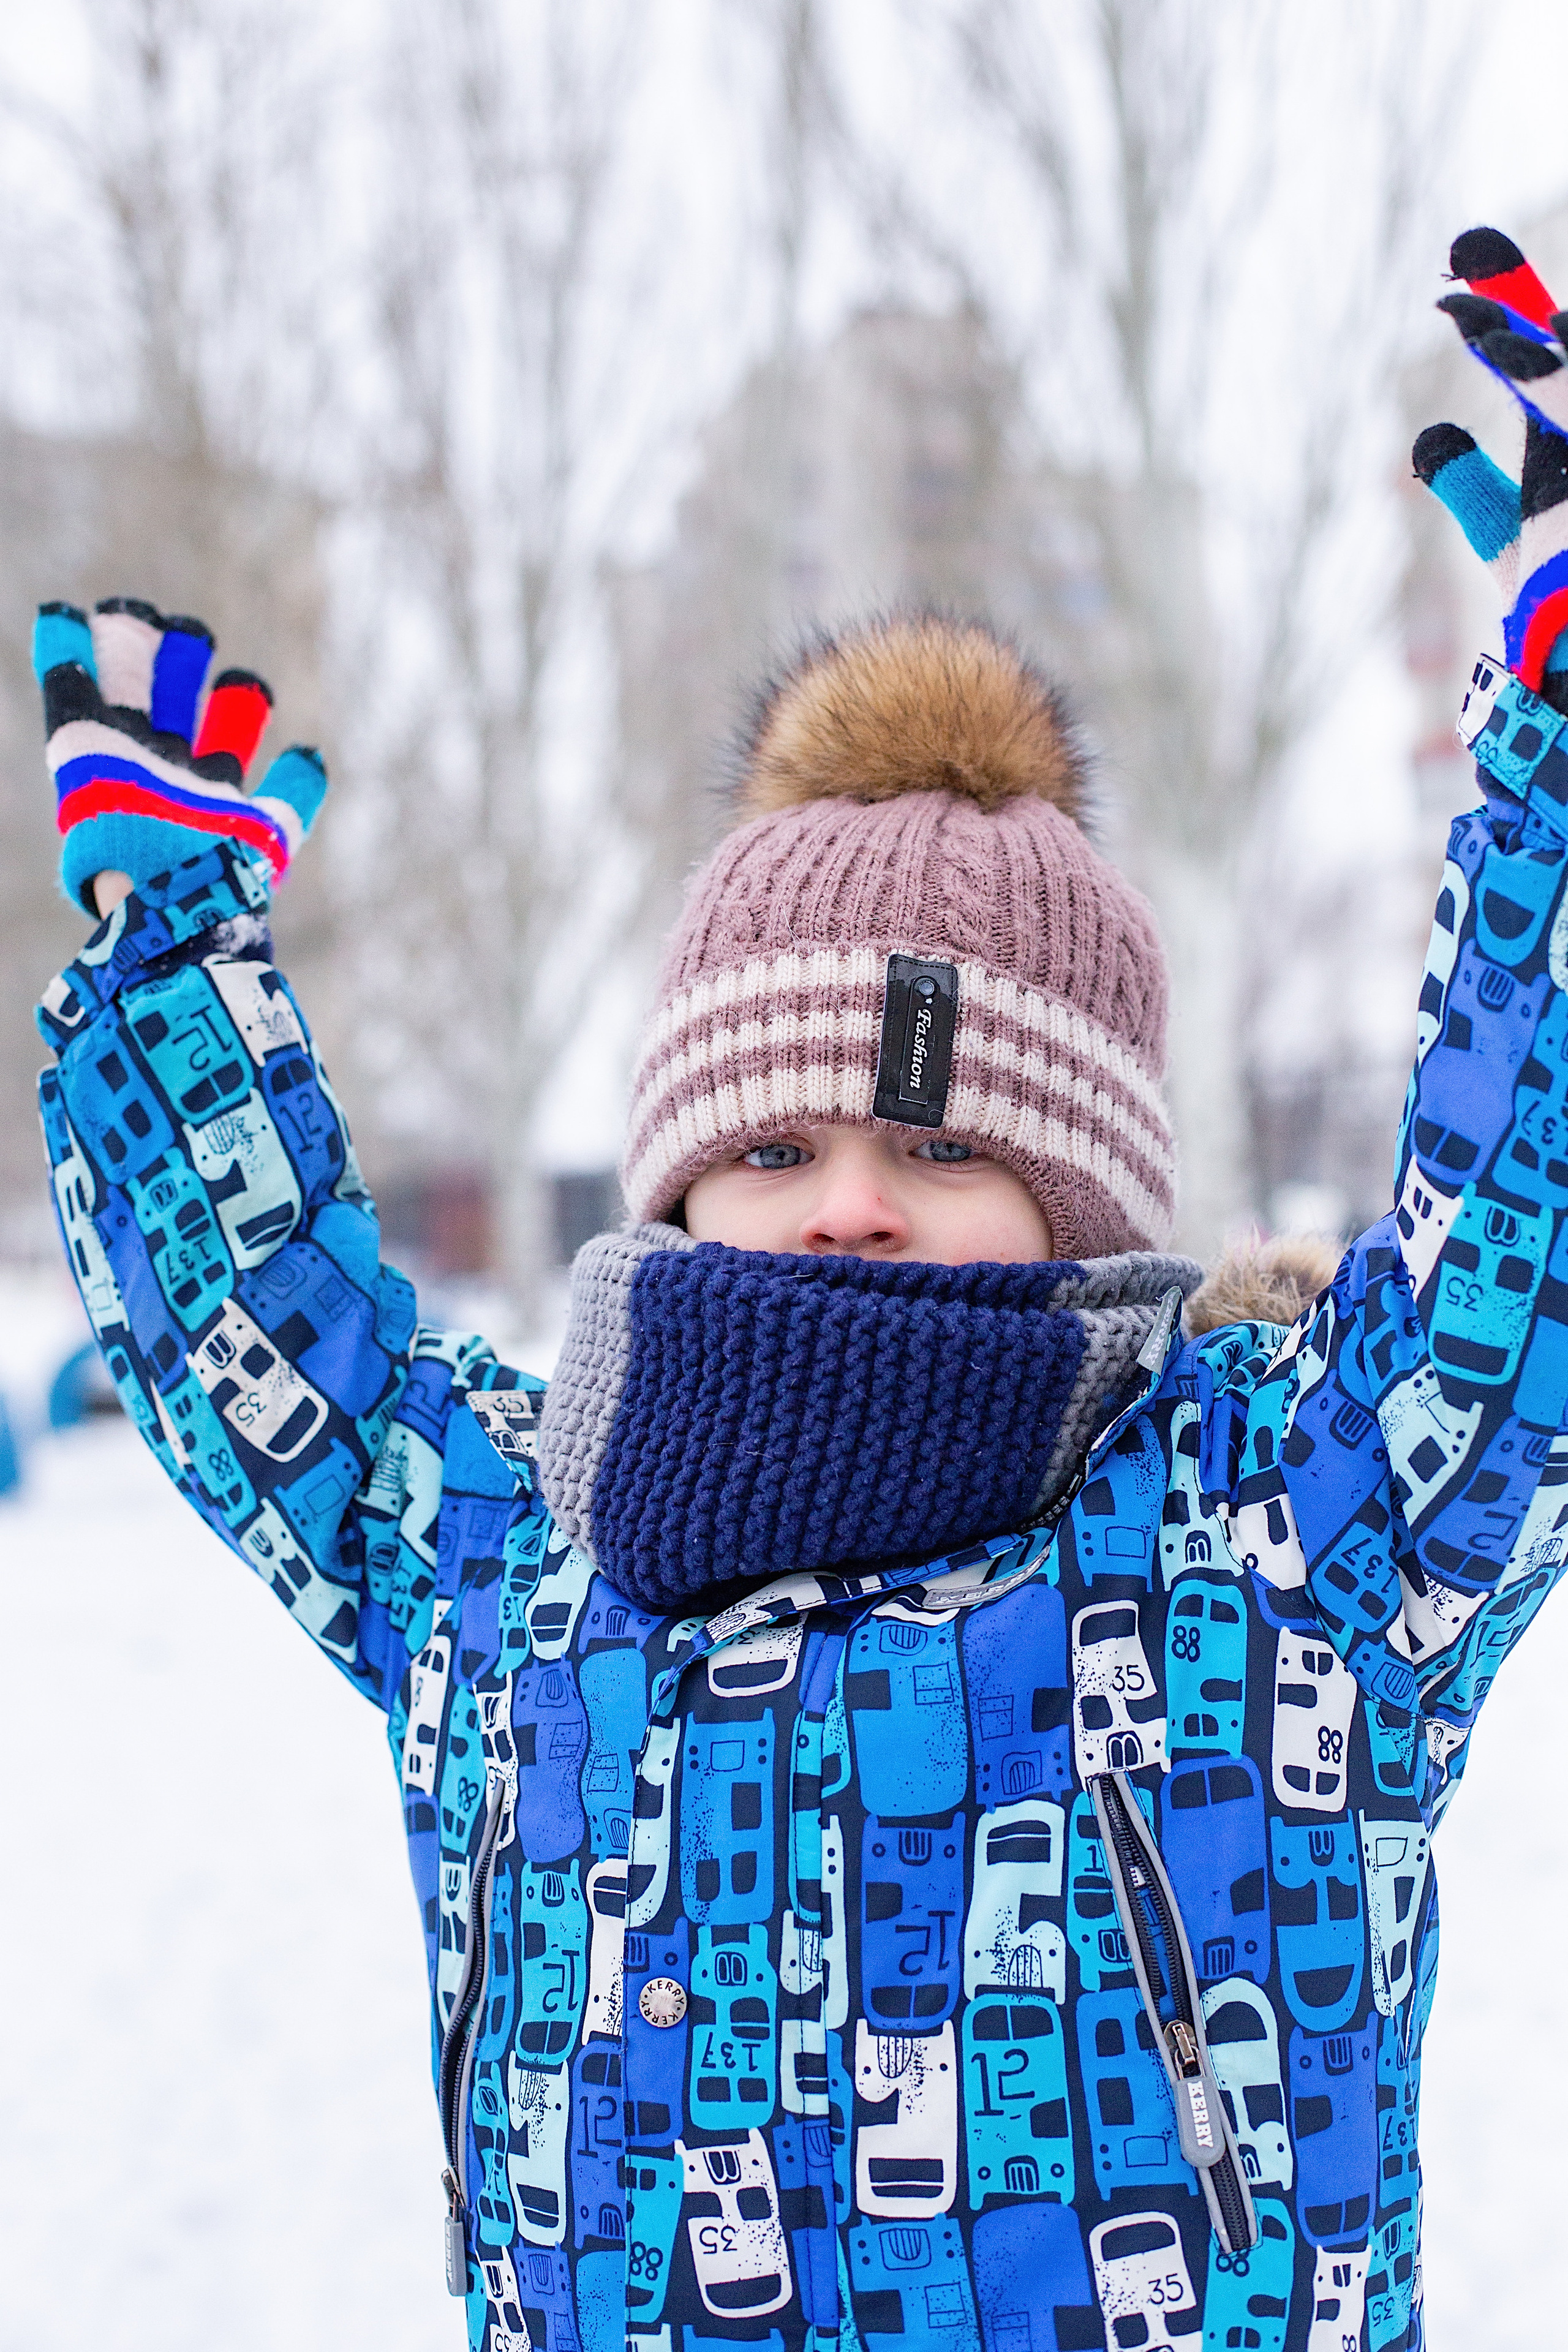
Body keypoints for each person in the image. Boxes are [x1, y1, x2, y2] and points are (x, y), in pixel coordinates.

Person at [33, 225, 1568, 2352]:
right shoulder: (516, 1555)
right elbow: (272, 1350)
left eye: (944, 1150)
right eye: (771, 1146)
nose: (847, 1201)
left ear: (1087, 1208)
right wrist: (169, 970)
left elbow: (1518, 1240)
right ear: (673, 1183)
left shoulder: (1291, 1536)